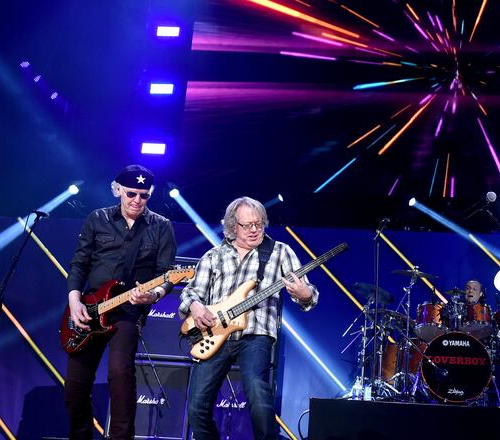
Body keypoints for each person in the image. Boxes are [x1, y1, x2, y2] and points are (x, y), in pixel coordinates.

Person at [180, 196, 319, 440]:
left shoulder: (279, 252)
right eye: (247, 225)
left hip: (256, 333)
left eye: (259, 223)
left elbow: (307, 294)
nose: (255, 230)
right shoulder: (214, 255)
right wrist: (196, 307)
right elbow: (191, 293)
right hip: (214, 335)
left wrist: (305, 294)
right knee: (196, 407)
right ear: (233, 227)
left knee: (256, 390)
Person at [64, 165, 177, 440]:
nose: (137, 201)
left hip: (129, 310)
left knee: (120, 373)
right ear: (117, 190)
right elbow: (79, 264)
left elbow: (167, 275)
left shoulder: (161, 226)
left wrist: (154, 295)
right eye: (131, 194)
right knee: (75, 386)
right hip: (90, 308)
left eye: (144, 195)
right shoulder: (97, 219)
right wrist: (75, 300)